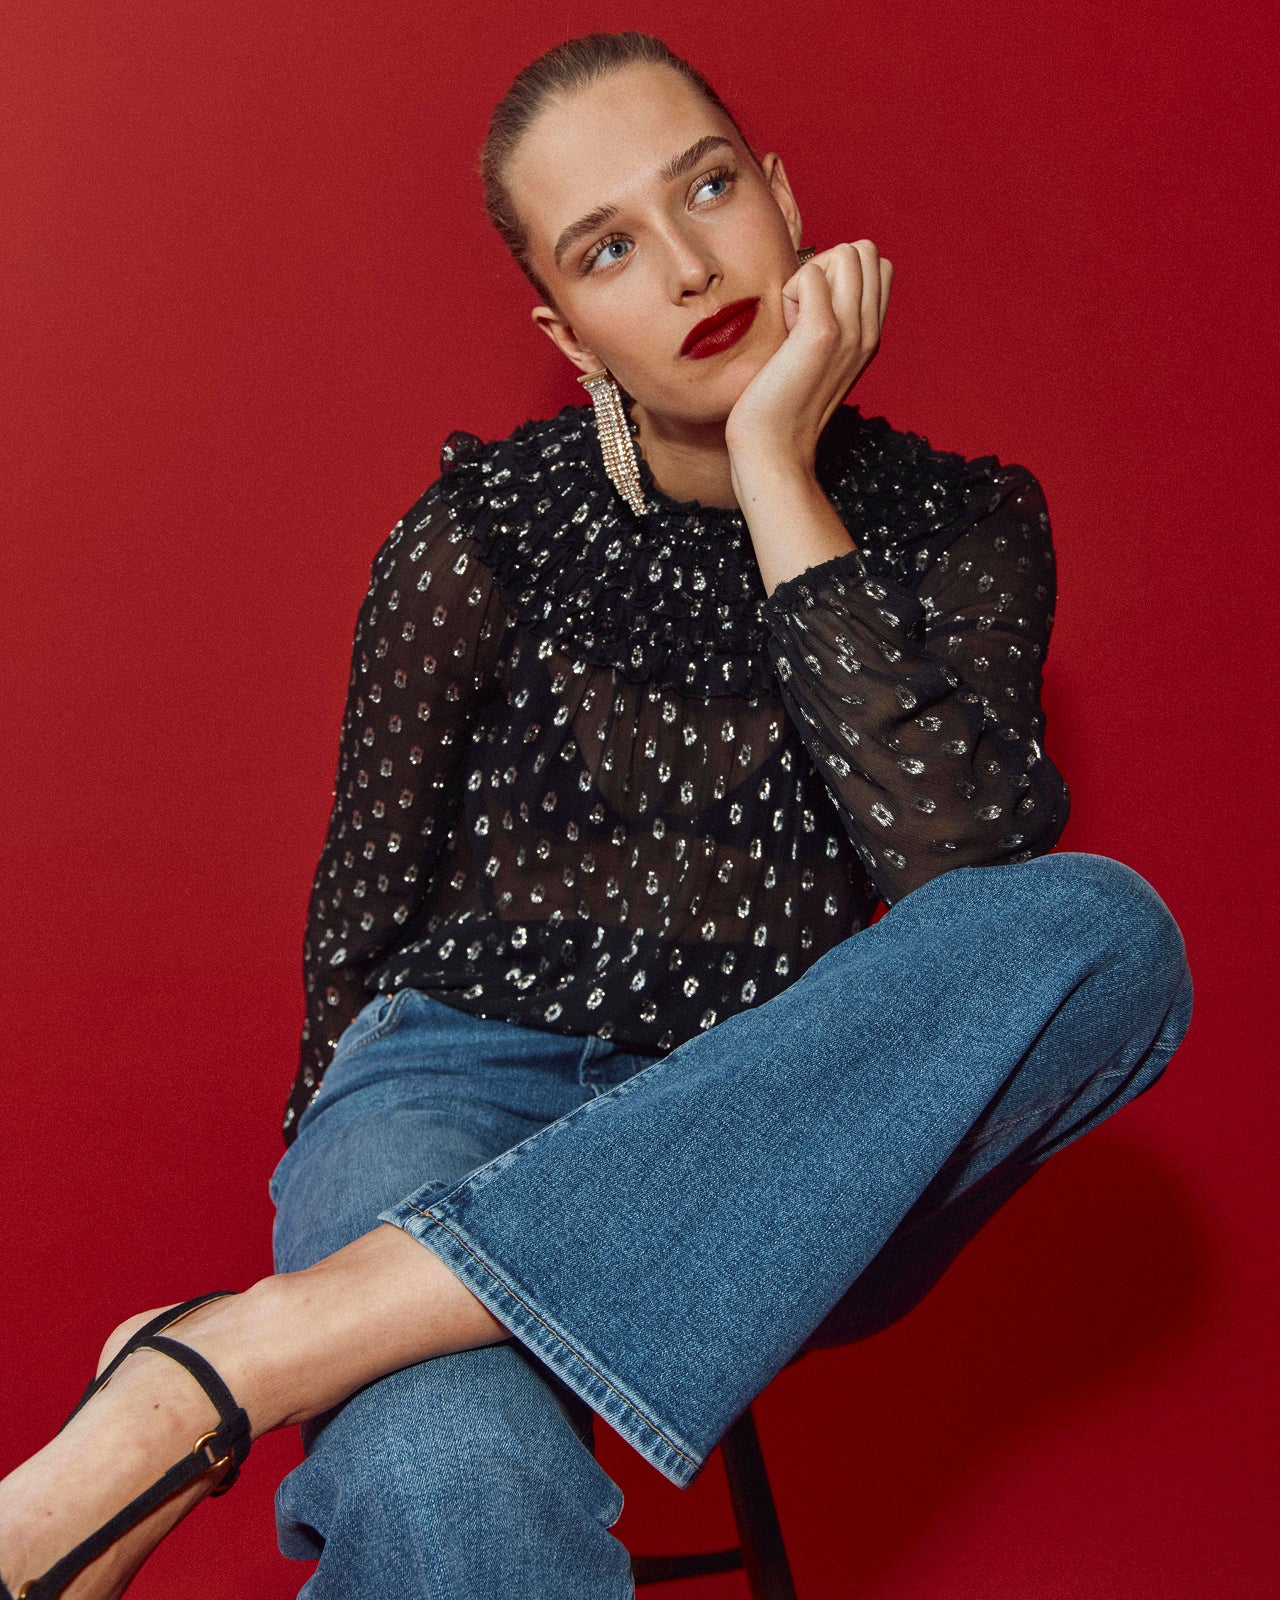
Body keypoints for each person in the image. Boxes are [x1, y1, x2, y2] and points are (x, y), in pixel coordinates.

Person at [0, 29, 1193, 1600]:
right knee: (444, 1467)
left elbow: (965, 879)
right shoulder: (482, 530)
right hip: (458, 1079)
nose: (695, 266)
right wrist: (345, 1182)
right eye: (613, 248)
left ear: (782, 198)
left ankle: (238, 1356)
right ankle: (351, 1322)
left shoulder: (963, 524)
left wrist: (776, 459)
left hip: (784, 1140)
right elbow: (361, 907)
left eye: (709, 189)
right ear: (567, 330)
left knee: (1108, 932)